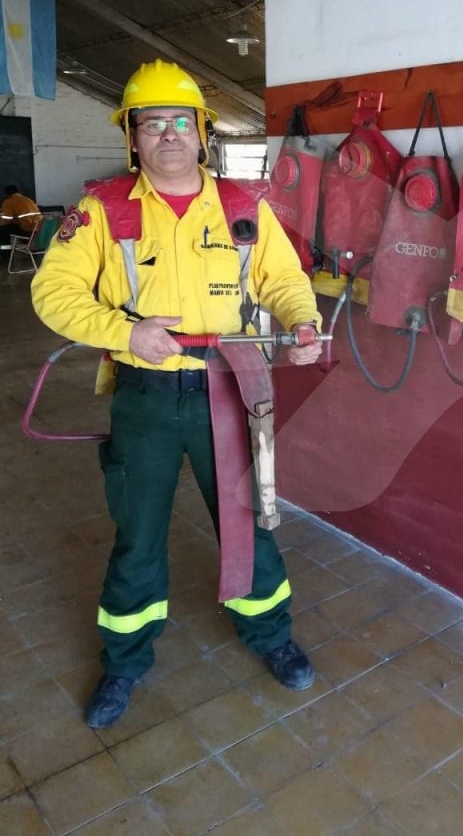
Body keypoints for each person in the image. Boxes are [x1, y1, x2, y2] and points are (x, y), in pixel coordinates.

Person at [31, 59, 323, 728]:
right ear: (131, 138)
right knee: (137, 536)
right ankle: (125, 661)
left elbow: (281, 278)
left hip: (234, 386)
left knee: (252, 520)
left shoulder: (246, 206)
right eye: (150, 123)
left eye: (179, 122)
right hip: (148, 398)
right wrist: (124, 334)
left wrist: (300, 319)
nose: (166, 134)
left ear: (202, 133)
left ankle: (270, 635)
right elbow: (52, 292)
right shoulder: (101, 210)